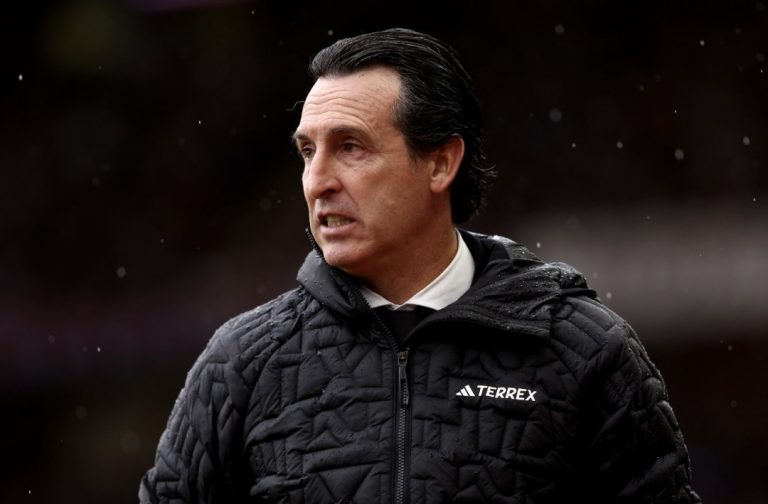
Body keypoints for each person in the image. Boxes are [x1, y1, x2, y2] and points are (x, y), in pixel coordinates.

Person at [140, 28, 700, 503]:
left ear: (440, 163)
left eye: (350, 147)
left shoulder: (585, 351)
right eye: (308, 151)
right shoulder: (242, 362)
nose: (318, 181)